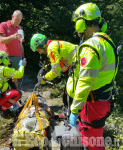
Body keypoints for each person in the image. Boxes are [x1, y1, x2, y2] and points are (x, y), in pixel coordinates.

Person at [68, 3, 118, 150]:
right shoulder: (108, 42)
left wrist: (75, 110)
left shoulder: (90, 47)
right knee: (95, 138)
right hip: (104, 99)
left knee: (91, 143)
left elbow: (85, 81)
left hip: (93, 103)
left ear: (81, 23)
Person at [30, 33, 78, 106]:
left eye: (38, 50)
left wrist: (45, 78)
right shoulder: (53, 45)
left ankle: (72, 114)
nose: (40, 52)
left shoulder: (51, 49)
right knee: (68, 92)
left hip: (79, 64)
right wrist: (45, 68)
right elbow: (57, 62)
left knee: (70, 92)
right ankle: (70, 112)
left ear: (41, 45)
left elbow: (56, 71)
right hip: (78, 62)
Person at [0, 51, 26, 118]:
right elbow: (19, 74)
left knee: (11, 86)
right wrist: (22, 65)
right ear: (3, 60)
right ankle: (3, 110)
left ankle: (2, 108)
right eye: (7, 58)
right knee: (18, 93)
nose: (8, 59)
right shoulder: (4, 69)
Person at [0, 10, 25, 88]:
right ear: (12, 17)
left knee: (15, 79)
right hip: (5, 57)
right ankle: (1, 98)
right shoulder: (4, 25)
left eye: (19, 21)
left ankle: (15, 97)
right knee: (2, 78)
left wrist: (23, 58)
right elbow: (2, 40)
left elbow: (21, 45)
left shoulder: (20, 29)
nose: (18, 22)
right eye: (16, 19)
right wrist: (13, 36)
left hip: (17, 57)